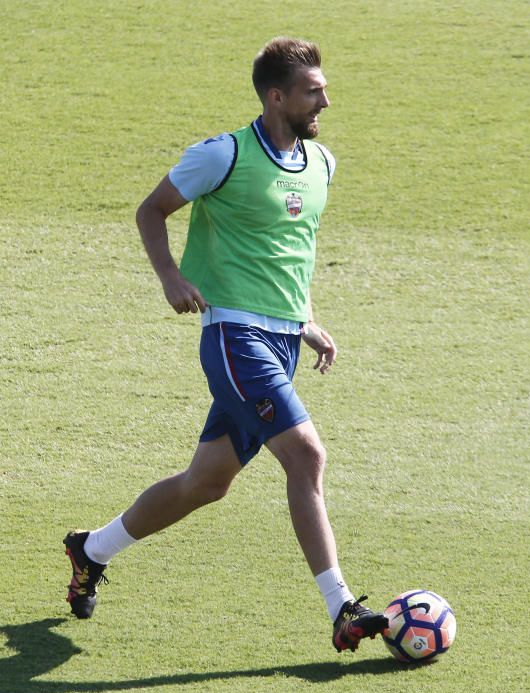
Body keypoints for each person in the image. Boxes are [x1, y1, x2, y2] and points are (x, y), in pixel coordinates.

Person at [64, 36, 388, 653]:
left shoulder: (321, 165)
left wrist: (304, 320)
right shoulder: (224, 156)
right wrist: (170, 277)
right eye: (312, 91)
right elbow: (152, 210)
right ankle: (341, 605)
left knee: (206, 482)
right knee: (307, 457)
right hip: (235, 338)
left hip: (281, 339)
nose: (325, 99)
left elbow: (292, 254)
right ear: (276, 96)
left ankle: (92, 549)